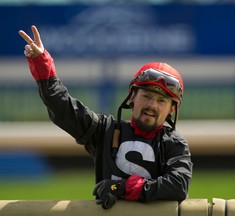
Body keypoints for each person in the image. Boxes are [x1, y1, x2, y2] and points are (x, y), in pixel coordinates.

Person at [19, 25, 193, 209]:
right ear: (132, 96)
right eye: (147, 96)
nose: (152, 105)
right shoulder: (105, 130)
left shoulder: (175, 144)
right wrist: (42, 62)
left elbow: (178, 185)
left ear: (172, 109)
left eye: (161, 101)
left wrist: (122, 188)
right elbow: (64, 110)